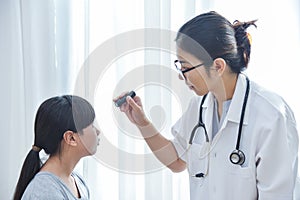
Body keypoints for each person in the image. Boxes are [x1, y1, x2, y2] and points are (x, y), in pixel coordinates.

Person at [114, 11, 299, 199]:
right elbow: (177, 160)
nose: (181, 75)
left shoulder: (272, 116)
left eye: (186, 68)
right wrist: (142, 123)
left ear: (218, 66)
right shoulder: (198, 106)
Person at [13, 95, 100, 200]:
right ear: (71, 138)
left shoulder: (77, 181)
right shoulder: (45, 191)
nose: (97, 132)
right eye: (91, 126)